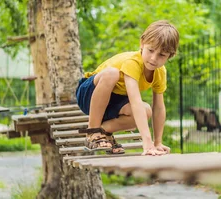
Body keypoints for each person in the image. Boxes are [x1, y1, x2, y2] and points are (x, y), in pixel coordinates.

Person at [76, 20, 178, 156]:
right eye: (151, 50)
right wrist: (147, 143)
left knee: (146, 110)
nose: (154, 58)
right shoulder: (133, 63)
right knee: (111, 73)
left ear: (170, 55)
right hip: (89, 94)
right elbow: (135, 101)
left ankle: (104, 131)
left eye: (161, 55)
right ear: (142, 43)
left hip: (113, 102)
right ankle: (93, 130)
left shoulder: (160, 72)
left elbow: (158, 107)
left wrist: (157, 142)